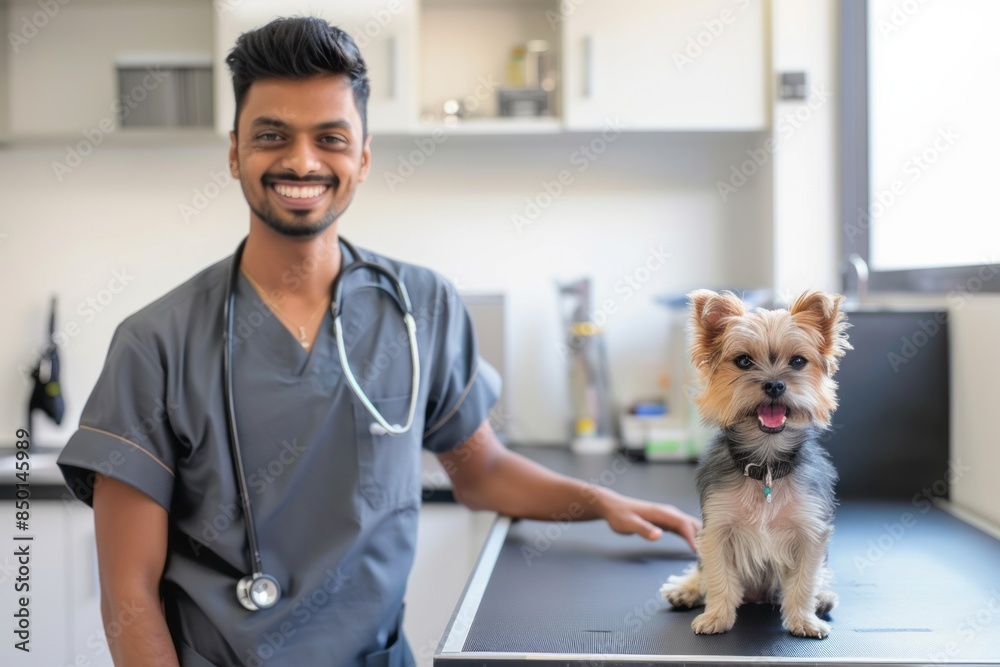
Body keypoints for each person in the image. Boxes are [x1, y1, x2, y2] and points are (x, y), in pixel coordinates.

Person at [56, 16, 701, 667]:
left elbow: (482, 474)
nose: (302, 160)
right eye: (271, 135)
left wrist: (600, 501)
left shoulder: (423, 308)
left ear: (362, 157)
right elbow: (128, 594)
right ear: (234, 152)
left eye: (329, 138)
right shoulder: (154, 344)